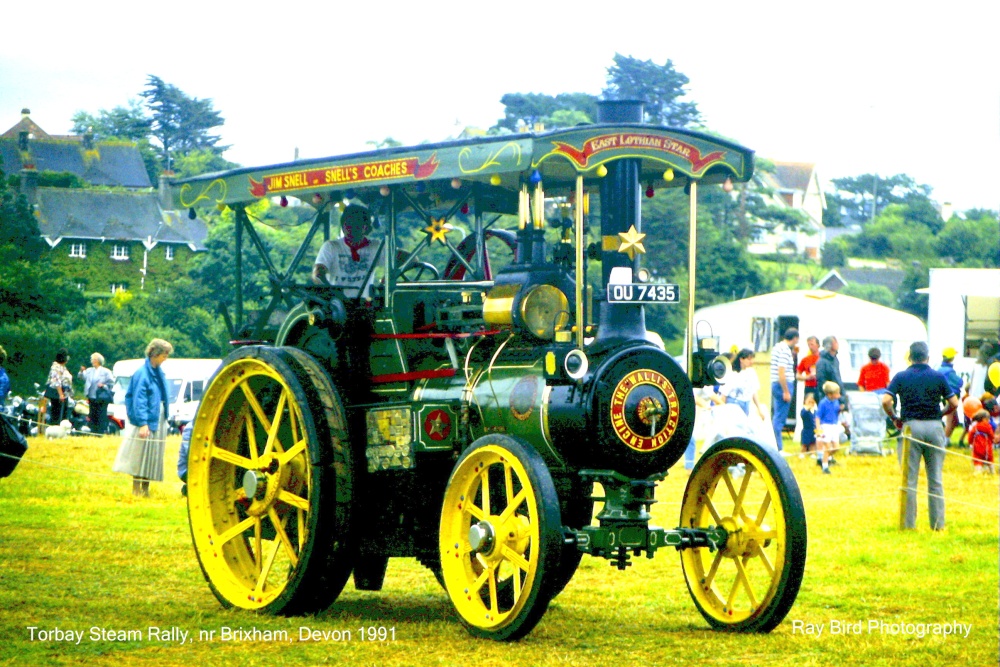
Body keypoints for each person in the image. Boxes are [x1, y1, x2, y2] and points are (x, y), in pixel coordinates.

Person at [881, 341, 959, 531]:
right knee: (935, 479)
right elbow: (954, 403)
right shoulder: (938, 376)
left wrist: (894, 417)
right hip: (934, 427)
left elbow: (886, 400)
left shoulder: (901, 376)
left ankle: (908, 525)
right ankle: (938, 524)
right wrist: (941, 413)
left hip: (911, 427)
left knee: (909, 479)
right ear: (928, 357)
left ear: (910, 357)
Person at [113, 339, 173, 497]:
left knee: (151, 456)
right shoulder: (142, 374)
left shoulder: (159, 372)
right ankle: (136, 490)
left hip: (158, 419)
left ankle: (145, 490)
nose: (165, 359)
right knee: (140, 455)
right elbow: (138, 400)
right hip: (146, 420)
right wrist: (142, 423)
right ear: (155, 354)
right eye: (164, 355)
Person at [312, 203, 378, 297]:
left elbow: (404, 258)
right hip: (337, 306)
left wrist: (387, 280)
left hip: (365, 306)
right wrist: (331, 291)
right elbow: (318, 274)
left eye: (356, 224)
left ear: (366, 227)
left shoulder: (375, 247)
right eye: (348, 224)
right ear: (343, 226)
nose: (351, 228)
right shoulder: (331, 247)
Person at [769, 328, 799, 451]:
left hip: (776, 384)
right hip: (783, 384)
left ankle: (775, 445)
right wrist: (786, 391)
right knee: (780, 418)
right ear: (795, 338)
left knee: (777, 414)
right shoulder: (785, 350)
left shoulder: (778, 347)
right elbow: (781, 371)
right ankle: (778, 448)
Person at [723, 348, 766, 421]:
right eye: (749, 359)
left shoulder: (751, 372)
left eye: (752, 359)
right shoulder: (733, 374)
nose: (751, 361)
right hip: (734, 403)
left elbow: (753, 392)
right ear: (741, 359)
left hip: (746, 403)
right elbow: (724, 394)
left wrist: (759, 409)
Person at [79, 352, 114, 434]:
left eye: (94, 359)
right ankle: (92, 431)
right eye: (92, 359)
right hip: (92, 397)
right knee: (92, 415)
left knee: (101, 415)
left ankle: (100, 432)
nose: (92, 361)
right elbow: (82, 377)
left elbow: (112, 383)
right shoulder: (89, 371)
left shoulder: (106, 371)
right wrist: (81, 372)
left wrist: (104, 385)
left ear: (98, 361)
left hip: (101, 397)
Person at [816, 381, 846, 474]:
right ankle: (825, 467)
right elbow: (818, 417)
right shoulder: (823, 403)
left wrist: (840, 409)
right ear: (830, 394)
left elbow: (835, 412)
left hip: (834, 426)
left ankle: (826, 458)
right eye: (837, 393)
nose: (839, 395)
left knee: (836, 447)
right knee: (827, 447)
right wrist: (818, 430)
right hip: (826, 427)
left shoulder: (836, 401)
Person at [937, 347, 964, 439]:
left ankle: (946, 439)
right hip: (951, 396)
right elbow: (959, 382)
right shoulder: (949, 371)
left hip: (944, 396)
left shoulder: (940, 368)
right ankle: (944, 441)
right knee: (950, 419)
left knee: (955, 420)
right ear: (951, 358)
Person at [45, 348, 73, 425]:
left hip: (65, 394)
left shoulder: (63, 367)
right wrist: (61, 394)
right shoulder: (55, 367)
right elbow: (56, 381)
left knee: (64, 415)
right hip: (57, 394)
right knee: (57, 414)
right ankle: (55, 429)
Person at [815, 336, 845, 408]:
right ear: (830, 345)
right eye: (835, 342)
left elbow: (838, 378)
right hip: (828, 399)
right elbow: (821, 382)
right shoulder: (822, 362)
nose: (838, 344)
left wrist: (842, 396)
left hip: (838, 396)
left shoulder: (835, 360)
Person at [967, 409, 995, 474]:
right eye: (988, 419)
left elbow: (970, 436)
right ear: (984, 419)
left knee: (977, 460)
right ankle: (992, 471)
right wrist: (993, 439)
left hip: (977, 447)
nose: (989, 421)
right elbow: (991, 435)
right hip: (987, 448)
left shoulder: (975, 427)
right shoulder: (988, 427)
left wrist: (970, 442)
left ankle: (978, 471)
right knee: (990, 460)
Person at [796, 336, 821, 402]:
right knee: (809, 409)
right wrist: (807, 377)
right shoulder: (805, 359)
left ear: (818, 345)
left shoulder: (823, 359)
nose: (810, 347)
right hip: (809, 388)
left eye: (812, 344)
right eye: (808, 345)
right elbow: (797, 375)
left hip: (821, 387)